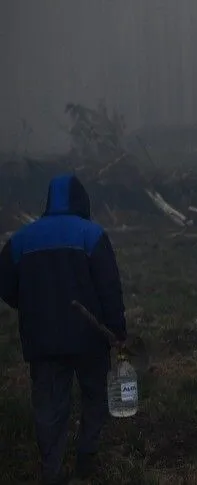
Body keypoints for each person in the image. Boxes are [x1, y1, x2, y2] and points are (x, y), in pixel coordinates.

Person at [0, 174, 127, 484]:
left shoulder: (20, 239)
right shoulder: (92, 235)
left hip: (42, 340)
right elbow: (109, 288)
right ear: (81, 200)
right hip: (91, 339)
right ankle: (86, 458)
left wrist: (31, 309)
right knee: (95, 397)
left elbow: (5, 285)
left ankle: (51, 470)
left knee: (49, 407)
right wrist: (118, 331)